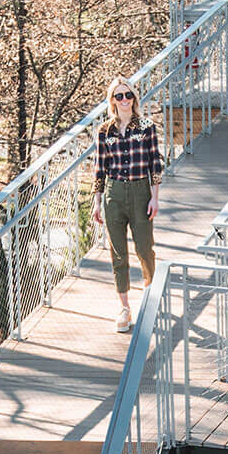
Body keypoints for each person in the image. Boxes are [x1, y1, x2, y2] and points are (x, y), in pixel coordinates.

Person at [91, 77, 162, 332]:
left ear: (134, 98)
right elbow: (100, 168)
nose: (124, 100)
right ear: (112, 100)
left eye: (127, 95)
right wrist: (97, 201)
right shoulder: (104, 131)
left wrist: (155, 196)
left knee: (145, 248)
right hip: (114, 194)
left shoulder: (146, 127)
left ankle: (151, 298)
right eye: (118, 96)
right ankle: (124, 308)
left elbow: (155, 163)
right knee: (118, 253)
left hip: (141, 191)